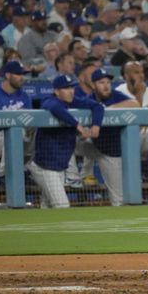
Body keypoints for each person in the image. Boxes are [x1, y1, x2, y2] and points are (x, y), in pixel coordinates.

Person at [30, 74, 104, 208]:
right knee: (62, 205)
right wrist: (77, 125)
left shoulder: (73, 101)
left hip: (58, 167)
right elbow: (55, 108)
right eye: (66, 88)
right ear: (57, 91)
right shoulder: (50, 100)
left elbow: (98, 107)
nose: (71, 91)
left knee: (47, 206)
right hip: (44, 167)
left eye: (72, 88)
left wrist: (96, 125)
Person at [87, 68, 140, 205]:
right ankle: (77, 175)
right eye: (101, 82)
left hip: (116, 150)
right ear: (93, 85)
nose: (106, 86)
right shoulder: (88, 99)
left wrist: (107, 109)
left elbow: (135, 104)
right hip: (96, 146)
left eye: (108, 82)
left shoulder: (116, 95)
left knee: (120, 196)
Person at [0, 61, 33, 180]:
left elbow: (30, 121)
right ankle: (2, 174)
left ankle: (27, 169)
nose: (22, 78)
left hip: (19, 139)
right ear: (7, 75)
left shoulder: (25, 96)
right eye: (18, 74)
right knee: (15, 132)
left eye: (23, 74)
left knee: (38, 136)